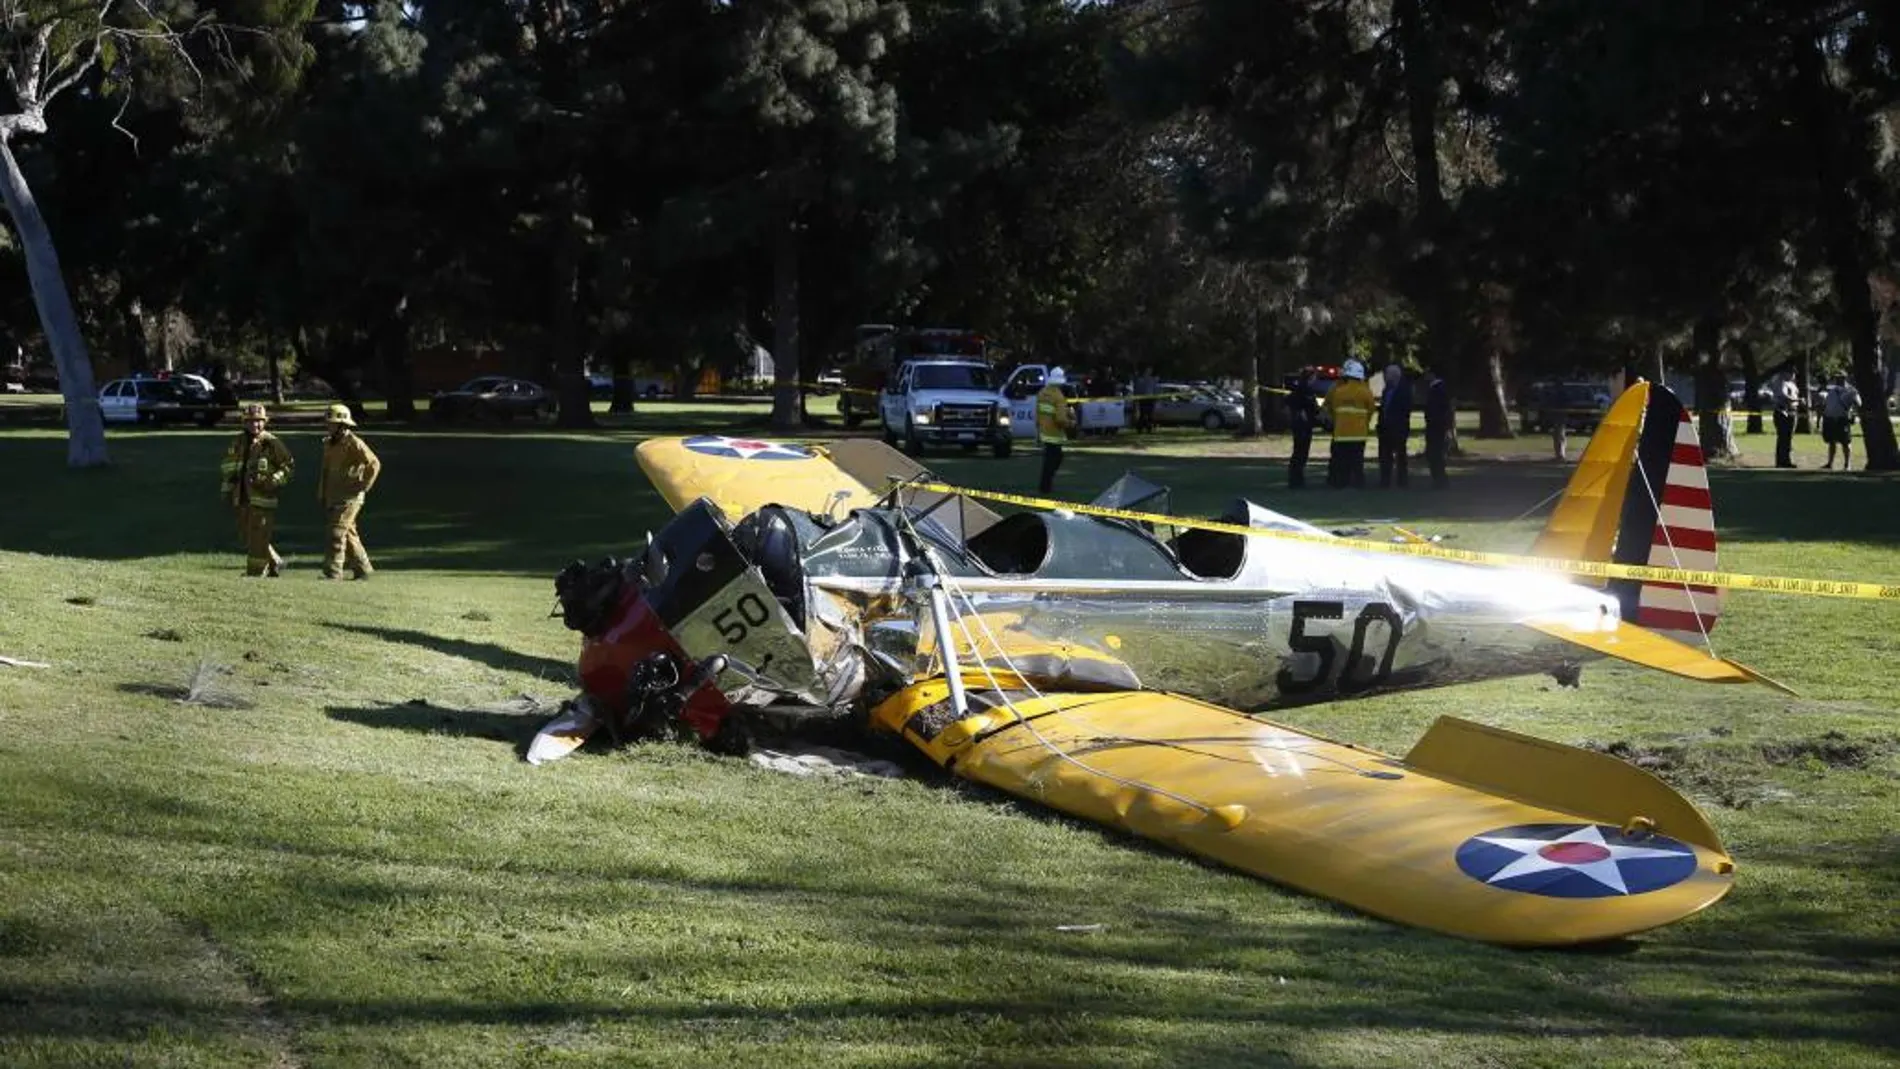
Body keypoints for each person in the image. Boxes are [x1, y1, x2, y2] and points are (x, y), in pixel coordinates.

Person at [219, 402, 294, 577]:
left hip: (263, 498)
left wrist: (274, 480)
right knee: (248, 536)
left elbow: (288, 466)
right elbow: (229, 467)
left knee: (258, 536)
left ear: (265, 422)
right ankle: (276, 563)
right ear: (244, 422)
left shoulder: (271, 443)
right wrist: (227, 490)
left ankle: (255, 572)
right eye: (251, 421)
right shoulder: (238, 441)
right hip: (242, 497)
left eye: (259, 421)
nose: (255, 424)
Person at [318, 403, 382, 580]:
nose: (328, 426)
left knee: (336, 533)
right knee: (349, 533)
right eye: (328, 422)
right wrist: (322, 494)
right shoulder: (329, 444)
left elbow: (374, 464)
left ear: (342, 425)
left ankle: (333, 573)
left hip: (349, 497)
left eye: (331, 423)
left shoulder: (354, 442)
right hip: (333, 495)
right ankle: (363, 570)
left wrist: (363, 485)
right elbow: (326, 471)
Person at [1324, 359, 1374, 488]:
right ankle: (1358, 484)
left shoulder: (1338, 391)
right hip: (1359, 434)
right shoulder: (1366, 391)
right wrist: (1364, 423)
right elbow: (1371, 410)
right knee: (1357, 462)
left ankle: (1340, 483)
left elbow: (1331, 408)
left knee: (1341, 462)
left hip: (1341, 434)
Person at [1036, 367, 1076, 495]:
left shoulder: (1042, 393)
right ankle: (1045, 486)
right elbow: (1060, 419)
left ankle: (1045, 485)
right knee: (1054, 459)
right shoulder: (1058, 396)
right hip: (1054, 433)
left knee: (1049, 459)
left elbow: (1038, 413)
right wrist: (1071, 423)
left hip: (1044, 431)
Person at [1376, 363, 1412, 488]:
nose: (1385, 377)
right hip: (1385, 428)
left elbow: (1405, 410)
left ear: (1394, 376)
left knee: (1400, 456)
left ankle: (1402, 482)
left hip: (1398, 428)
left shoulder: (1404, 390)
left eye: (1387, 374)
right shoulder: (1386, 390)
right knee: (1385, 456)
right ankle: (1385, 481)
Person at [1285, 373, 1320, 489]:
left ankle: (1294, 479)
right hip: (1304, 426)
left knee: (1297, 452)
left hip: (1297, 425)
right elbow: (1313, 409)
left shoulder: (1296, 390)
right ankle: (1298, 480)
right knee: (1302, 454)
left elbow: (1287, 401)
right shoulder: (1307, 392)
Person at [1821, 373, 1861, 470]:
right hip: (1830, 418)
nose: (1838, 380)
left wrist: (1853, 415)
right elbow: (1826, 404)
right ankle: (1830, 463)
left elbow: (1858, 404)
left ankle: (1847, 464)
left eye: (1840, 378)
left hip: (1842, 418)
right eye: (1837, 378)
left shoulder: (1851, 391)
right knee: (1831, 442)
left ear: (1845, 379)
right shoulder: (1832, 391)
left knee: (1845, 442)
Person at [1422, 365, 1452, 489]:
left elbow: (1438, 411)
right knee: (1435, 454)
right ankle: (1439, 479)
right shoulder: (1438, 389)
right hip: (1436, 427)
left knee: (1435, 454)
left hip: (1436, 427)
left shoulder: (1438, 389)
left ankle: (1440, 480)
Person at [1771, 373, 1799, 468]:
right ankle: (1781, 461)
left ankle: (1786, 459)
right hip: (1782, 412)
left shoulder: (1792, 384)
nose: (1793, 375)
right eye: (1791, 372)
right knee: (1783, 437)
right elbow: (1783, 396)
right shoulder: (1781, 383)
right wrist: (1797, 400)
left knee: (1788, 438)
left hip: (1792, 411)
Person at [1133, 367, 1159, 432]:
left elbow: (1155, 389)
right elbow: (1137, 390)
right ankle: (1140, 428)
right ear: (1145, 371)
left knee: (1150, 414)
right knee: (1142, 414)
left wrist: (1155, 398)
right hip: (1143, 399)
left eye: (1150, 371)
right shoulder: (1140, 380)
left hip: (1150, 399)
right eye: (1148, 371)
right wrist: (1136, 398)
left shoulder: (1152, 380)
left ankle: (1149, 428)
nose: (1149, 372)